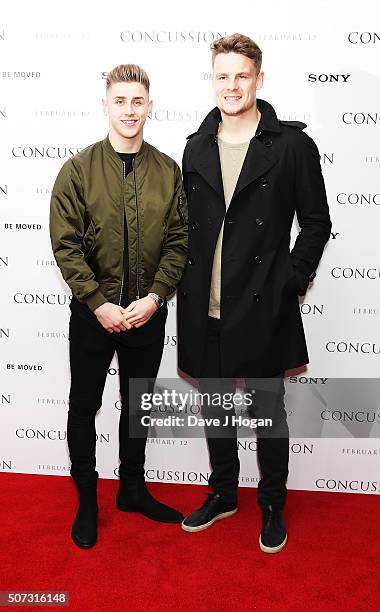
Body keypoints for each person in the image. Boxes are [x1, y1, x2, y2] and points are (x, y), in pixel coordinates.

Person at [177, 34, 331, 553]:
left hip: (264, 304)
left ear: (259, 79)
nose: (232, 85)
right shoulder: (195, 146)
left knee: (269, 413)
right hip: (207, 306)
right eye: (222, 75)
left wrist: (290, 280)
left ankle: (271, 505)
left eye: (242, 75)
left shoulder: (291, 146)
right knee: (216, 410)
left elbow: (315, 222)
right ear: (213, 79)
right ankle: (223, 494)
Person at [50, 64, 188, 548]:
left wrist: (154, 298)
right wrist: (97, 303)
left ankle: (131, 489)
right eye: (120, 101)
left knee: (137, 408)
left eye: (137, 102)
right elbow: (65, 245)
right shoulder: (78, 170)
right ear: (105, 105)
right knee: (83, 405)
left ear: (150, 106)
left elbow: (178, 242)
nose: (129, 111)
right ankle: (87, 498)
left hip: (147, 316)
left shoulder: (168, 171)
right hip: (93, 317)